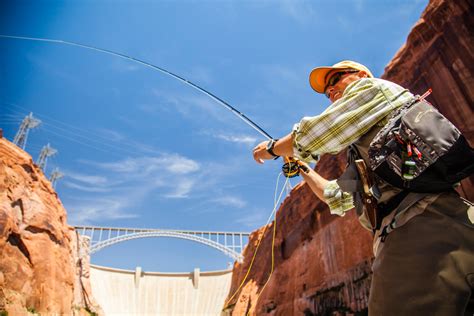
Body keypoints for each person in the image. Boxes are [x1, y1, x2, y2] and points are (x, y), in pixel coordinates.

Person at [252, 60, 474, 315]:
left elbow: (316, 134)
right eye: (327, 93)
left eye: (335, 80)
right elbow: (335, 197)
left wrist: (271, 149)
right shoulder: (367, 145)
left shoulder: (371, 88)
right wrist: (302, 167)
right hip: (453, 222)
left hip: (419, 232)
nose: (331, 92)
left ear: (360, 74)